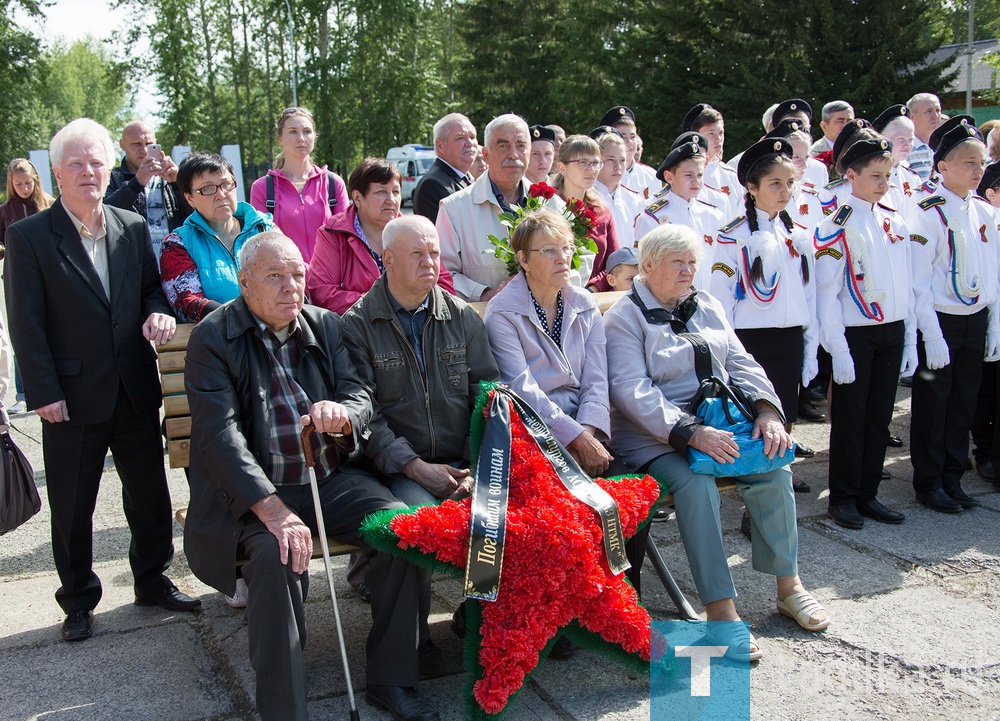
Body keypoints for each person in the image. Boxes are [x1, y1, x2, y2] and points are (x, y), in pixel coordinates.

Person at [184, 231, 439, 721]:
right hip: (255, 494)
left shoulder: (325, 326)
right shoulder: (214, 338)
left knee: (402, 531)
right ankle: (285, 710)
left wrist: (343, 412)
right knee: (278, 554)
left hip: (327, 480)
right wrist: (273, 510)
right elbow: (220, 437)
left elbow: (361, 393)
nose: (290, 287)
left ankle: (393, 680)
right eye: (275, 276)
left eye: (297, 274)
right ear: (243, 283)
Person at [4, 118, 198, 644]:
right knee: (73, 505)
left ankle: (152, 579)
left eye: (96, 162)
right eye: (76, 164)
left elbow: (151, 290)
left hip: (133, 387)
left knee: (149, 495)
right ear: (57, 173)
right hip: (69, 396)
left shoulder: (130, 225)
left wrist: (158, 313)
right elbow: (26, 321)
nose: (88, 172)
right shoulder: (28, 237)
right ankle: (78, 601)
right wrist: (43, 391)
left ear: (109, 166)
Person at [604, 223, 829, 661]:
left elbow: (742, 364)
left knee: (773, 467)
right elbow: (631, 390)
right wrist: (691, 433)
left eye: (693, 262)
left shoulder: (705, 304)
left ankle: (789, 586)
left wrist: (767, 411)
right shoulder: (624, 317)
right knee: (694, 484)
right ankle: (721, 612)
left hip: (720, 428)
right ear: (648, 267)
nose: (689, 271)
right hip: (655, 439)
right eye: (678, 262)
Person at [341, 215, 499, 634]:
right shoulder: (357, 325)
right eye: (418, 254)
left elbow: (488, 395)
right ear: (387, 258)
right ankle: (414, 639)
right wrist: (415, 467)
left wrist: (478, 467)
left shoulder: (461, 316)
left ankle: (478, 618)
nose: (430, 262)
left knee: (498, 514)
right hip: (397, 467)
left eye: (434, 252)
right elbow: (364, 415)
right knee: (422, 526)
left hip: (460, 461)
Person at [812, 137, 914, 529]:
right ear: (849, 174)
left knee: (879, 417)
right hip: (854, 336)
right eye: (874, 175)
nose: (883, 182)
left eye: (887, 175)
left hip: (891, 329)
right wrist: (836, 348)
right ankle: (843, 498)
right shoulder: (834, 226)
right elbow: (828, 294)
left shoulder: (893, 218)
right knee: (852, 419)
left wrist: (909, 336)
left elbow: (905, 283)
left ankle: (869, 493)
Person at [710, 138, 817, 491]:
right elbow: (721, 299)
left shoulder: (795, 233)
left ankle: (779, 478)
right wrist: (725, 350)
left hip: (788, 338)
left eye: (789, 183)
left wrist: (811, 343)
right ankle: (756, 494)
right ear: (752, 188)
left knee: (784, 409)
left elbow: (808, 293)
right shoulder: (733, 236)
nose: (785, 191)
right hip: (751, 340)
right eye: (775, 183)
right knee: (755, 416)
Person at [907, 118, 1000, 513]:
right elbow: (920, 282)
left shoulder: (983, 211)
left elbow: (992, 271)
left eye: (981, 162)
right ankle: (929, 481)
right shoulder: (925, 212)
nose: (978, 170)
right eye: (968, 162)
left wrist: (993, 323)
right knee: (934, 402)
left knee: (964, 400)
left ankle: (952, 475)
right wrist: (931, 334)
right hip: (939, 320)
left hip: (974, 317)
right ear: (942, 166)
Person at [438, 113, 561, 301]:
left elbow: (580, 257)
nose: (513, 154)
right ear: (485, 155)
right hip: (482, 323)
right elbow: (443, 273)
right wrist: (485, 294)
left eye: (521, 146)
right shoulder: (454, 209)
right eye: (503, 146)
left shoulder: (551, 204)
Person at [309, 157, 454, 315]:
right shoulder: (332, 234)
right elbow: (322, 294)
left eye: (396, 192)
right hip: (354, 334)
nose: (391, 199)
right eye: (381, 192)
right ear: (357, 197)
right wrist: (388, 304)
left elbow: (445, 288)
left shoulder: (417, 231)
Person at [159, 151, 275, 322]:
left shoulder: (265, 228)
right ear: (189, 198)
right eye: (207, 189)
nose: (221, 194)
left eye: (226, 184)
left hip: (277, 334)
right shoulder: (177, 244)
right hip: (220, 342)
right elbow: (188, 303)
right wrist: (246, 321)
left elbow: (292, 279)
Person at [249, 106, 348, 263]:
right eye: (293, 131)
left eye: (307, 131)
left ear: (315, 136)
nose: (301, 138)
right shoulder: (262, 188)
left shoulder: (333, 183)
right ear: (279, 138)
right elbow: (263, 242)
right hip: (286, 280)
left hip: (329, 279)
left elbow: (345, 238)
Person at [634, 132, 725, 291]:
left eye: (700, 175)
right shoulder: (653, 218)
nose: (696, 181)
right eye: (688, 175)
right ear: (669, 177)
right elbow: (642, 268)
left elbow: (723, 264)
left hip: (710, 299)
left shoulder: (714, 215)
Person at [0, 158, 54, 413]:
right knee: (23, 332)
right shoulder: (4, 211)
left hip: (51, 276)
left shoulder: (49, 205)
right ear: (11, 183)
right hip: (18, 279)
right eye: (18, 184)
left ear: (36, 180)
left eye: (27, 183)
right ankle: (22, 394)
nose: (23, 188)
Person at [104, 120, 191, 266]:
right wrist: (137, 183)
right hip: (133, 264)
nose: (144, 150)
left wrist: (179, 184)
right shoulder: (112, 177)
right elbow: (104, 214)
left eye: (149, 144)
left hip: (176, 262)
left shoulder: (170, 176)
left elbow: (197, 216)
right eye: (137, 144)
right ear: (122, 145)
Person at [551, 134, 620, 291]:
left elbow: (614, 264)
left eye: (596, 163)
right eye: (582, 163)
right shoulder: (547, 207)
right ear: (562, 167)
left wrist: (593, 288)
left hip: (594, 299)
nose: (591, 170)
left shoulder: (602, 212)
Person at [412, 113, 478, 223]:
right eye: (460, 138)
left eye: (472, 137)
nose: (470, 143)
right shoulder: (432, 185)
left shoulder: (466, 179)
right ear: (440, 146)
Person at [683, 103, 741, 220]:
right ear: (696, 137)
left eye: (721, 133)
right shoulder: (682, 174)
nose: (718, 139)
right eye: (711, 133)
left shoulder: (731, 175)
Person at [592, 127, 645, 249]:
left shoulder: (635, 200)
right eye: (611, 160)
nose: (618, 167)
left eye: (622, 160)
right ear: (597, 161)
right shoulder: (586, 197)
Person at [598, 106, 661, 199]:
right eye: (623, 137)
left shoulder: (651, 176)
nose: (629, 142)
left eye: (632, 137)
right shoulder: (601, 175)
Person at [906, 93, 942, 181]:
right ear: (912, 117)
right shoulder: (906, 149)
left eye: (938, 110)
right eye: (929, 111)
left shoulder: (945, 147)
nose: (936, 116)